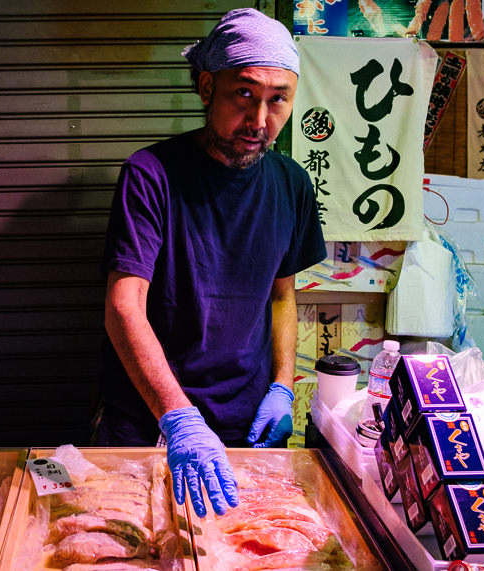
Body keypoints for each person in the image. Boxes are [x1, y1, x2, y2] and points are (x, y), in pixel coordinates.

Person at [96, 8, 326, 518]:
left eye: (278, 100)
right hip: (152, 420)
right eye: (244, 94)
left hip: (246, 425)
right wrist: (178, 417)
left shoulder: (292, 184)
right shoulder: (150, 174)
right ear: (206, 87)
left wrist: (284, 387)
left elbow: (283, 296)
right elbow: (123, 306)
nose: (260, 121)